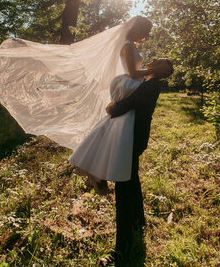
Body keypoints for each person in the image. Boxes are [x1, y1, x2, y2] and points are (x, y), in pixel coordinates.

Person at [68, 16, 157, 193]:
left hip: (132, 83)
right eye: (145, 32)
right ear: (137, 29)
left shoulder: (128, 44)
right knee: (119, 129)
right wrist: (155, 71)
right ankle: (100, 171)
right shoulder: (128, 45)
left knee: (112, 129)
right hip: (131, 83)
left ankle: (99, 171)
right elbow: (132, 72)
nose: (146, 36)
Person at [102, 58, 174, 265]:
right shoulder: (146, 82)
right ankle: (138, 221)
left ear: (162, 69)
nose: (152, 61)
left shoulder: (151, 85)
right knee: (132, 179)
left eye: (158, 61)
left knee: (123, 187)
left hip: (131, 139)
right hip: (133, 137)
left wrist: (112, 108)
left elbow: (127, 105)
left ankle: (122, 247)